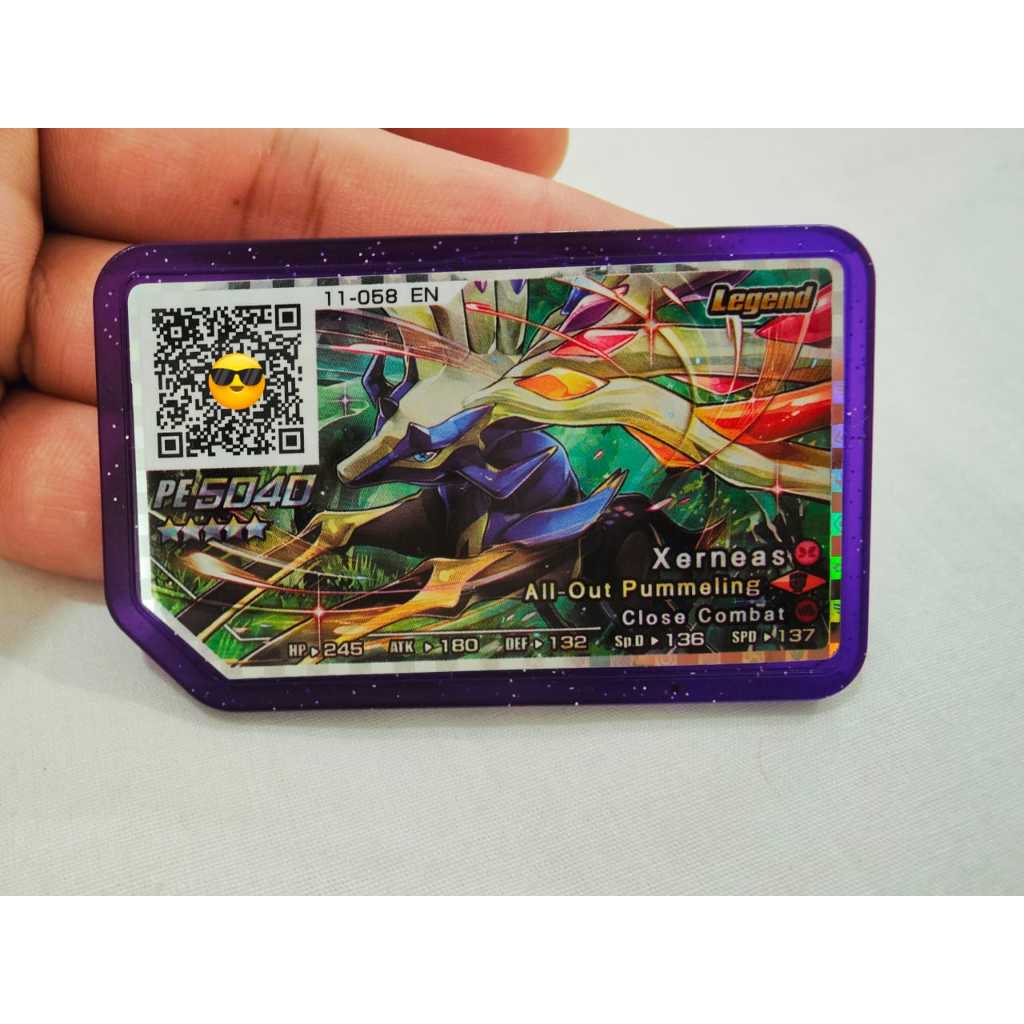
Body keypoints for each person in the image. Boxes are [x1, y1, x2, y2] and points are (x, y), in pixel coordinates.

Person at [0, 129, 655, 580]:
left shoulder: (521, 452)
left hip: (510, 512)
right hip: (461, 475)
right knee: (357, 510)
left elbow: (477, 471)